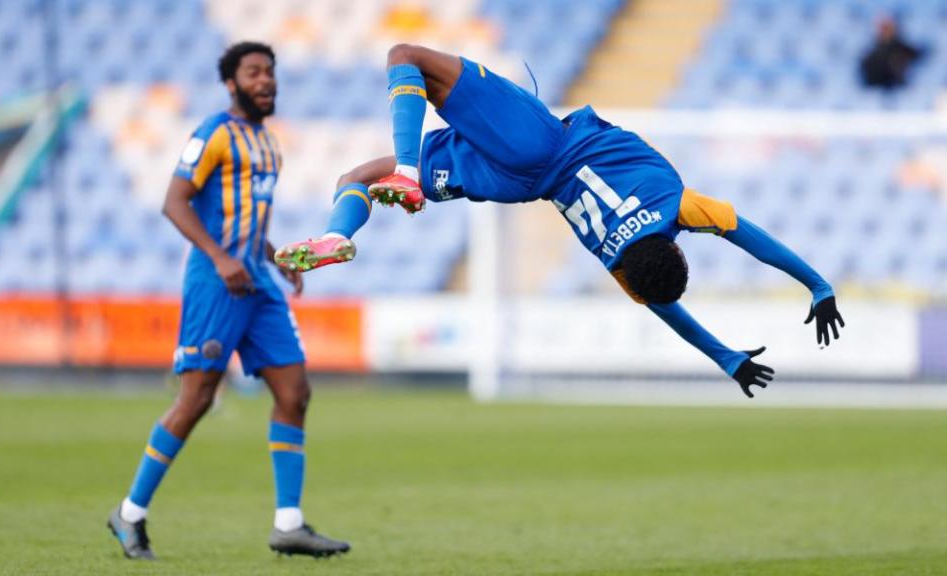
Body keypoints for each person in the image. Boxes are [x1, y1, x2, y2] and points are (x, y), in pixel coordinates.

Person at [275, 44, 846, 397]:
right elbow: (669, 312)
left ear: (677, 249)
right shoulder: (618, 264)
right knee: (356, 176)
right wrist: (726, 359)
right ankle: (336, 235)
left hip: (538, 144)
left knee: (406, 58)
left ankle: (395, 177)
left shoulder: (680, 207)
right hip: (514, 185)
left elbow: (753, 239)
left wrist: (818, 285)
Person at [106, 42, 350, 560]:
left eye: (271, 72)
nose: (267, 81)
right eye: (255, 72)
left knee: (295, 391)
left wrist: (273, 257)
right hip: (216, 282)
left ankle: (289, 524)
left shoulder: (269, 146)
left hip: (256, 281)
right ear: (232, 83)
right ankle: (129, 514)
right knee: (195, 400)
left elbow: (247, 219)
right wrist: (219, 258)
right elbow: (174, 201)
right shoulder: (212, 133)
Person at [860, 17, 922, 89]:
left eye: (888, 28)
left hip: (900, 87)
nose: (886, 32)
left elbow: (916, 54)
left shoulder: (900, 46)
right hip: (880, 87)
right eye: (884, 29)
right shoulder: (874, 53)